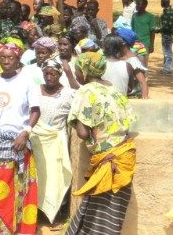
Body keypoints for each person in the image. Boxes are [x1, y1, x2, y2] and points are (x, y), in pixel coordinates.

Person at [66, 52, 137, 235]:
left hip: (108, 162)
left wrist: (78, 124)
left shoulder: (86, 91)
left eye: (77, 70)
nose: (76, 75)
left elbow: (82, 133)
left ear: (85, 70)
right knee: (111, 215)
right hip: (124, 158)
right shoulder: (114, 90)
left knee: (100, 214)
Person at [0, 41, 40, 235]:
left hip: (18, 143)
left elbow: (36, 110)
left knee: (19, 189)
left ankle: (19, 229)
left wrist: (25, 132)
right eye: (2, 57)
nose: (6, 61)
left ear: (18, 58)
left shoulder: (27, 80)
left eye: (10, 58)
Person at [30, 59, 74, 229]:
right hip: (36, 141)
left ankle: (54, 217)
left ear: (59, 75)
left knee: (55, 178)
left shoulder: (69, 94)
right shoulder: (33, 91)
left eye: (53, 74)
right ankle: (36, 215)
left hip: (56, 143)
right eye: (46, 73)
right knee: (37, 178)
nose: (49, 77)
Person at [102, 33, 149, 99]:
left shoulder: (131, 62)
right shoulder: (124, 64)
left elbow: (142, 82)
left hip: (130, 97)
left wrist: (144, 99)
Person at [131, 0, 155, 65]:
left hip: (145, 43)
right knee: (135, 63)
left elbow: (152, 32)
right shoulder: (134, 16)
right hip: (135, 43)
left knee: (144, 64)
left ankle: (144, 75)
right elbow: (132, 30)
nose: (137, 6)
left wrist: (152, 45)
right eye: (136, 4)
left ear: (144, 5)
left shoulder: (150, 17)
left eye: (139, 4)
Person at [158, 0, 173, 74]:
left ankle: (167, 69)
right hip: (166, 34)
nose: (161, 3)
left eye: (161, 2)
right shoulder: (167, 11)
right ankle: (166, 68)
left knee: (168, 52)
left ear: (164, 3)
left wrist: (158, 30)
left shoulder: (169, 12)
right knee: (166, 52)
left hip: (167, 34)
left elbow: (167, 26)